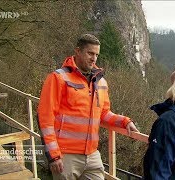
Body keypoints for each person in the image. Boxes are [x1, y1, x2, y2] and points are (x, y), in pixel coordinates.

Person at [38, 34, 139, 180]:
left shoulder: (101, 82)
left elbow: (103, 114)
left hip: (92, 155)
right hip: (65, 155)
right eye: (90, 53)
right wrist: (53, 155)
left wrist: (124, 121)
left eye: (97, 54)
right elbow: (45, 117)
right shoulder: (58, 78)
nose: (94, 58)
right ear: (78, 51)